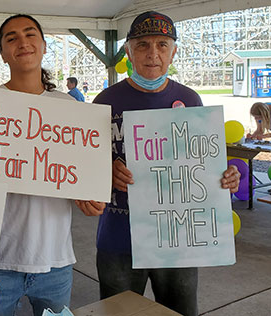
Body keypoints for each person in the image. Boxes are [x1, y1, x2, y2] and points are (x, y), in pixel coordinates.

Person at [91, 11, 241, 316]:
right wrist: (104, 172)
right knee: (118, 313)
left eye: (162, 44)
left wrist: (224, 178)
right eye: (143, 44)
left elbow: (202, 163)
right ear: (129, 51)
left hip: (178, 241)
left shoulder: (191, 100)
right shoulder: (105, 101)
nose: (152, 53)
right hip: (119, 237)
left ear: (173, 51)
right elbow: (83, 167)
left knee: (182, 311)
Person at [0, 14, 106, 316]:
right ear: (2, 53)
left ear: (44, 46)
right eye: (11, 37)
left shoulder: (69, 108)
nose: (22, 42)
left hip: (55, 262)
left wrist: (87, 195)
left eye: (30, 34)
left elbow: (80, 177)